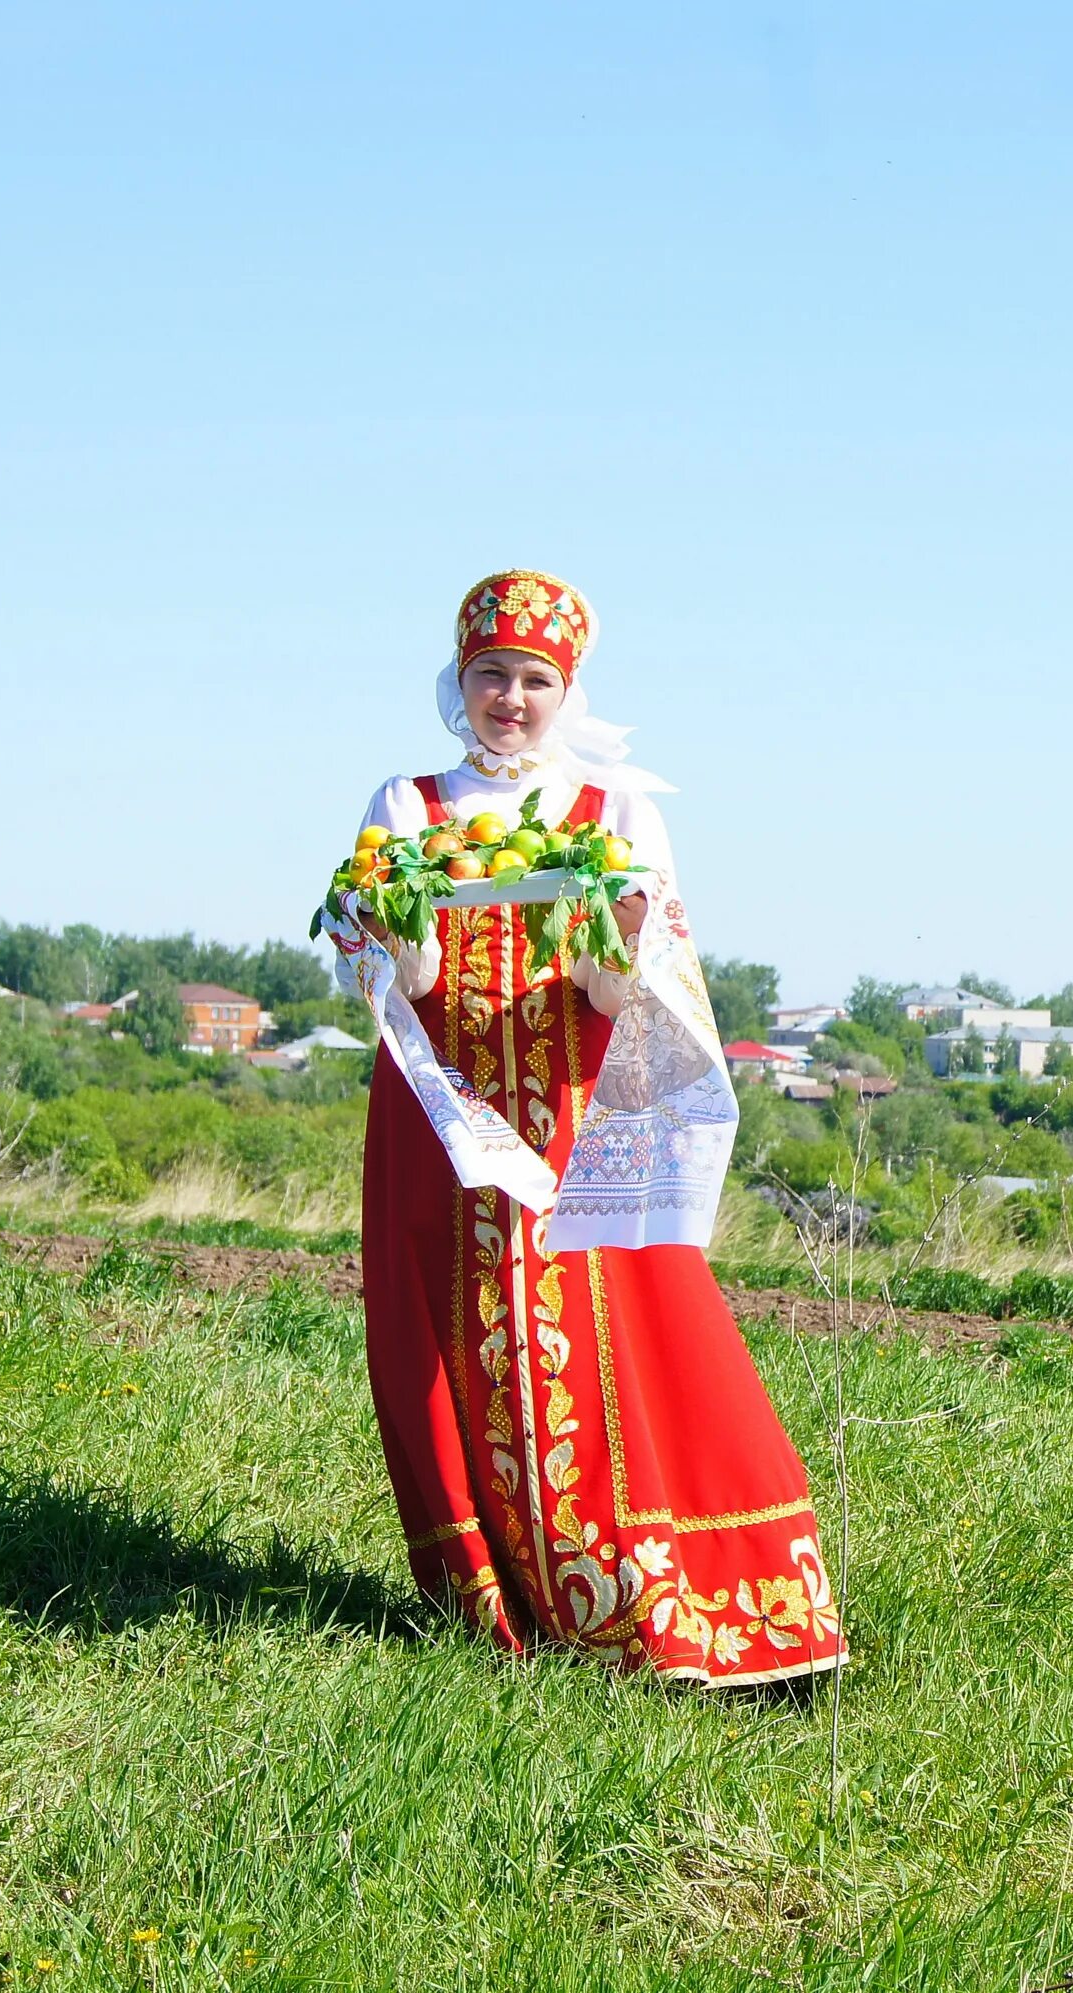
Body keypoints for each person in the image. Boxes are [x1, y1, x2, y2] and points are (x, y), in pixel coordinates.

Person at [336, 569, 843, 1688]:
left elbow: (629, 1000)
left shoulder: (614, 812)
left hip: (571, 1115)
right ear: (456, 683)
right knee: (456, 1343)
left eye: (532, 680)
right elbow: (403, 976)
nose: (509, 699)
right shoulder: (406, 804)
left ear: (566, 691)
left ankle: (664, 1592)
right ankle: (503, 1601)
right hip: (438, 1116)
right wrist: (385, 926)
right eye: (490, 677)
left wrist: (619, 938)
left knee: (617, 1334)